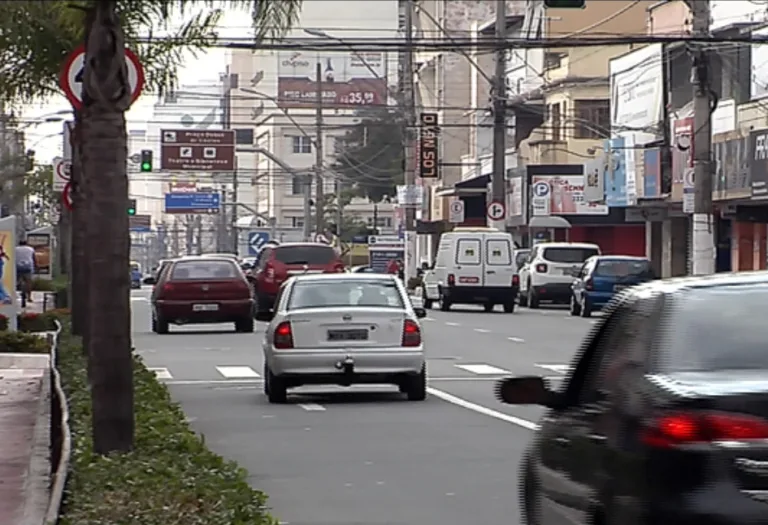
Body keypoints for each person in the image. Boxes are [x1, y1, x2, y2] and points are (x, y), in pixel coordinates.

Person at [16, 238, 35, 303]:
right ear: (26, 244)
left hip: (17, 267)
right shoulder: (31, 249)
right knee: (28, 282)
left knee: (15, 282)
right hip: (28, 267)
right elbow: (34, 258)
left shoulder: (15, 249)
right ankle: (29, 297)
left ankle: (12, 295)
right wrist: (36, 266)